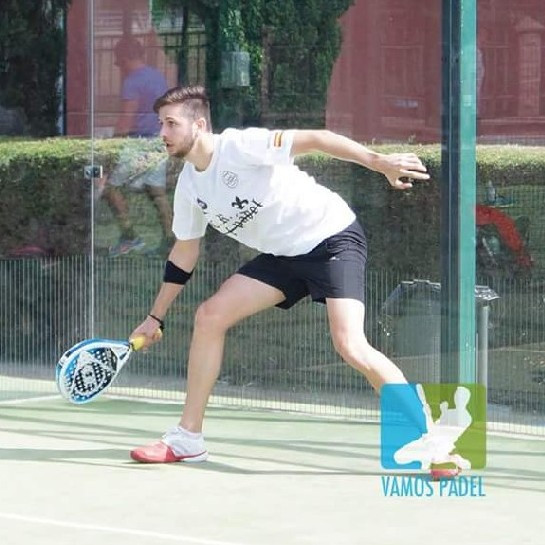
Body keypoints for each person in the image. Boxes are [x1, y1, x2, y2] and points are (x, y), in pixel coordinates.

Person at [128, 85, 458, 475]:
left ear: (199, 125)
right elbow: (185, 252)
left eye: (171, 123)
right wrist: (155, 317)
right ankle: (188, 438)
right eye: (160, 124)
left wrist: (378, 161)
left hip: (331, 237)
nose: (162, 133)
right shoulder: (189, 185)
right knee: (209, 316)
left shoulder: (241, 147)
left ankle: (432, 441)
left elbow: (317, 139)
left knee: (350, 344)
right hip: (283, 254)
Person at [100, 36, 174, 257]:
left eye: (118, 61)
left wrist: (112, 147)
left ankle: (129, 236)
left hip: (138, 143)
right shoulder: (158, 77)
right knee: (158, 194)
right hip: (159, 141)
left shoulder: (132, 81)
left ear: (124, 58)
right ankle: (170, 242)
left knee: (109, 187)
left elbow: (126, 119)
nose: (118, 66)